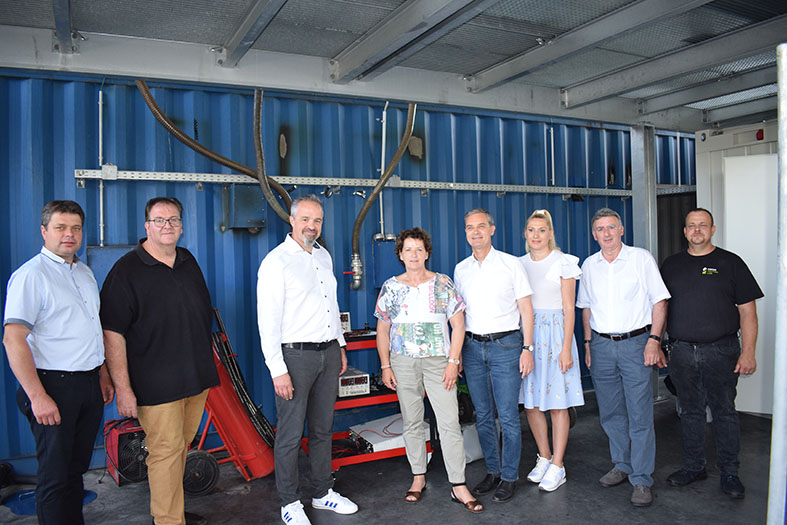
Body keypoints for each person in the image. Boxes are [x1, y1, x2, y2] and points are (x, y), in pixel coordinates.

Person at [100, 197, 219, 525]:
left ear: (181, 226)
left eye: (174, 220)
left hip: (195, 378)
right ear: (146, 226)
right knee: (165, 454)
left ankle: (172, 512)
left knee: (179, 449)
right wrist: (123, 388)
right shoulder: (126, 270)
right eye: (159, 220)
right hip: (156, 383)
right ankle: (168, 520)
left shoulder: (187, 260)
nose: (167, 225)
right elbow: (112, 333)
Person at [3, 200, 114, 525]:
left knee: (74, 471)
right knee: (54, 477)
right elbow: (13, 339)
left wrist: (103, 375)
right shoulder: (31, 276)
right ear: (44, 231)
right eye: (60, 227)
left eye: (76, 228)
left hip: (88, 383)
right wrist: (38, 396)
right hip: (52, 386)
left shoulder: (83, 271)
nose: (69, 234)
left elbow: (92, 327)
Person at [257, 195, 358, 525]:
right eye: (305, 220)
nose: (311, 226)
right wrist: (277, 369)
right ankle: (289, 502)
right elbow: (267, 320)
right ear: (292, 220)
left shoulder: (323, 256)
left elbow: (331, 304)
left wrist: (340, 345)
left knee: (321, 429)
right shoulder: (277, 262)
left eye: (317, 221)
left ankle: (321, 492)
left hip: (327, 353)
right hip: (295, 357)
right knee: (289, 434)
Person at [375, 228, 483, 513]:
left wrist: (453, 361)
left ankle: (459, 484)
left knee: (449, 423)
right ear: (400, 254)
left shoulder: (443, 283)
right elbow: (383, 330)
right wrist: (386, 365)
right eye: (408, 249)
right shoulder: (390, 288)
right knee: (412, 421)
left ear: (427, 253)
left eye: (419, 249)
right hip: (402, 362)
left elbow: (458, 326)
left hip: (439, 363)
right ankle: (418, 477)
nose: (413, 254)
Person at [660, 208, 763, 499]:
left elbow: (748, 313)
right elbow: (662, 308)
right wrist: (659, 343)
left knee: (724, 412)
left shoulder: (731, 263)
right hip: (680, 351)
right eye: (691, 226)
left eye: (702, 225)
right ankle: (694, 466)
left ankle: (730, 472)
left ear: (713, 229)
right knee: (689, 412)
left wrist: (749, 352)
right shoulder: (671, 265)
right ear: (684, 231)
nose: (696, 230)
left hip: (722, 350)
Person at [576, 207, 670, 508]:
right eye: (600, 229)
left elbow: (659, 301)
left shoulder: (640, 259)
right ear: (594, 234)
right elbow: (586, 308)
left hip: (636, 344)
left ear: (621, 230)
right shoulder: (589, 266)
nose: (606, 233)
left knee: (639, 413)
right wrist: (589, 345)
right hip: (602, 346)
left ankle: (641, 478)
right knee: (611, 412)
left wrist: (654, 341)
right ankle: (622, 463)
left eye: (611, 227)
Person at [453, 208, 535, 503]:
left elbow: (527, 310)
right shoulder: (461, 269)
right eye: (469, 227)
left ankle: (510, 476)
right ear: (465, 233)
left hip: (507, 347)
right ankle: (493, 470)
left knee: (509, 416)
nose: (475, 232)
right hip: (473, 348)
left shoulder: (511, 265)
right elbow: (458, 316)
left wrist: (528, 348)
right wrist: (458, 353)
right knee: (483, 416)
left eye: (481, 227)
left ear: (492, 229)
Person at [518, 209, 584, 492]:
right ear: (525, 234)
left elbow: (569, 308)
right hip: (530, 338)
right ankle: (543, 457)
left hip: (556, 336)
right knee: (531, 402)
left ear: (550, 233)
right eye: (532, 230)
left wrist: (566, 348)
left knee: (558, 403)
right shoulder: (518, 265)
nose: (536, 235)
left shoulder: (564, 262)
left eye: (542, 230)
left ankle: (558, 464)